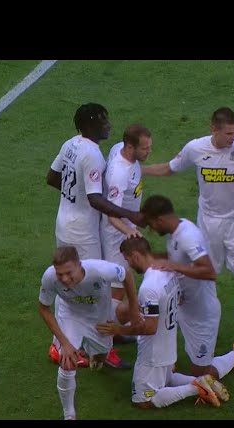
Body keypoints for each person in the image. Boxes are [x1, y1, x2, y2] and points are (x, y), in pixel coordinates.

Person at [142, 107, 234, 376]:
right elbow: (169, 168)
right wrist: (138, 169)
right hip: (208, 227)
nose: (233, 138)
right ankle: (198, 332)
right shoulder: (195, 149)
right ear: (213, 129)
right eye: (228, 134)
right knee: (203, 279)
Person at [45, 103, 139, 368]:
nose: (108, 125)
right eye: (103, 121)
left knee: (69, 283)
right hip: (82, 233)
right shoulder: (93, 155)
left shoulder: (71, 144)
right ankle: (99, 349)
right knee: (94, 287)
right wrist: (128, 214)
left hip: (64, 222)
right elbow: (95, 198)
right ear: (90, 124)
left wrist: (73, 197)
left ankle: (68, 343)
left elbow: (52, 177)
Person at [98, 237, 228, 409]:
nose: (129, 265)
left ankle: (196, 388)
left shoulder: (148, 287)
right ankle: (203, 380)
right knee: (166, 379)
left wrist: (118, 329)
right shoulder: (168, 271)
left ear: (135, 255)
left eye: (128, 260)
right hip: (168, 346)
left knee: (143, 400)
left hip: (152, 354)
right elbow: (178, 299)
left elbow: (150, 328)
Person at [140, 194, 234, 382]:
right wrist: (147, 257)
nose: (152, 230)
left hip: (202, 315)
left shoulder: (188, 236)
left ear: (160, 220)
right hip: (183, 306)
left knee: (201, 375)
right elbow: (174, 257)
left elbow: (209, 272)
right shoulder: (176, 231)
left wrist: (174, 266)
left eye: (151, 225)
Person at [37, 246, 140, 420]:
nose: (64, 279)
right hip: (71, 316)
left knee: (101, 355)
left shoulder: (100, 270)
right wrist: (65, 343)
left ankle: (96, 357)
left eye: (68, 273)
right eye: (60, 274)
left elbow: (126, 275)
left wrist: (134, 309)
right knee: (67, 362)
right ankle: (69, 414)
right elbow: (43, 308)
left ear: (79, 265)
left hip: (99, 319)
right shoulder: (49, 277)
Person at [99, 124, 152, 343]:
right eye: (145, 148)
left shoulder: (119, 149)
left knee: (122, 284)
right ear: (130, 147)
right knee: (117, 288)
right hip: (116, 236)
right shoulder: (119, 174)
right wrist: (131, 232)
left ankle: (113, 330)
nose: (148, 152)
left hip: (125, 229)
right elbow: (111, 214)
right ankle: (106, 337)